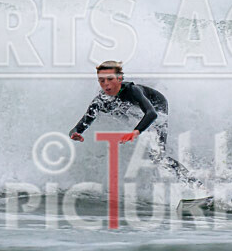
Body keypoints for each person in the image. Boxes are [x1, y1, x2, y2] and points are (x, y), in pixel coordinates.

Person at [69, 60, 203, 189]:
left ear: (120, 79)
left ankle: (197, 186)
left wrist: (135, 132)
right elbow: (81, 124)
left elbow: (151, 114)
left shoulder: (133, 90)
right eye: (102, 80)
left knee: (157, 157)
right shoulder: (100, 101)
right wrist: (75, 133)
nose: (106, 84)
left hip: (157, 106)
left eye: (110, 79)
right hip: (133, 112)